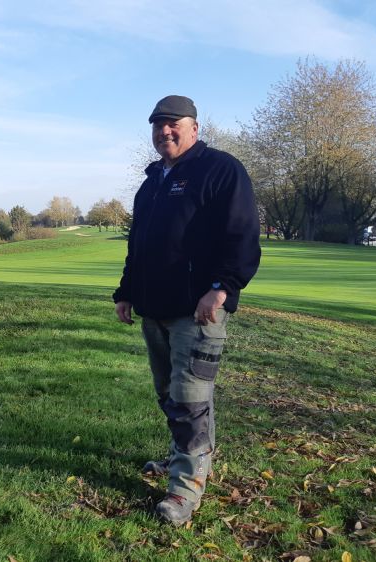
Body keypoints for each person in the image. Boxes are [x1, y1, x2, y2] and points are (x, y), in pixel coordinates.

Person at [113, 95, 260, 525]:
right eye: (157, 125)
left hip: (198, 311)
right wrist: (125, 291)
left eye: (173, 123)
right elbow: (138, 245)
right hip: (153, 308)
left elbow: (243, 235)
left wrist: (222, 288)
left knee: (190, 399)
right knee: (169, 395)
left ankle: (184, 490)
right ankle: (186, 458)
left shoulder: (220, 169)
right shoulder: (152, 181)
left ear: (194, 127)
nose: (164, 131)